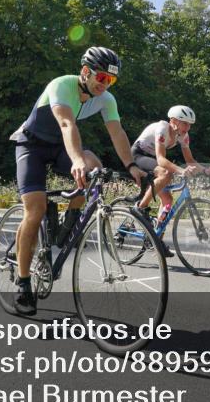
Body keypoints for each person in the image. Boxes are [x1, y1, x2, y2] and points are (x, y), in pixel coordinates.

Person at [8, 47, 146, 315]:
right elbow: (67, 125)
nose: (104, 85)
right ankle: (23, 286)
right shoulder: (61, 84)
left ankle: (66, 226)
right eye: (101, 78)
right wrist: (77, 160)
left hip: (61, 147)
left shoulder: (107, 99)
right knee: (34, 210)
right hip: (32, 146)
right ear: (85, 72)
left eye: (111, 81)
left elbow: (117, 133)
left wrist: (131, 165)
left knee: (94, 166)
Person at [131, 105, 210, 232]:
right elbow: (161, 159)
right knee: (166, 173)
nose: (188, 128)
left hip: (152, 159)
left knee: (167, 200)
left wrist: (206, 170)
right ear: (173, 121)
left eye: (190, 124)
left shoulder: (184, 136)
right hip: (138, 155)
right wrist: (181, 170)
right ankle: (140, 209)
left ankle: (156, 235)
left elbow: (190, 161)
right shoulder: (162, 128)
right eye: (185, 123)